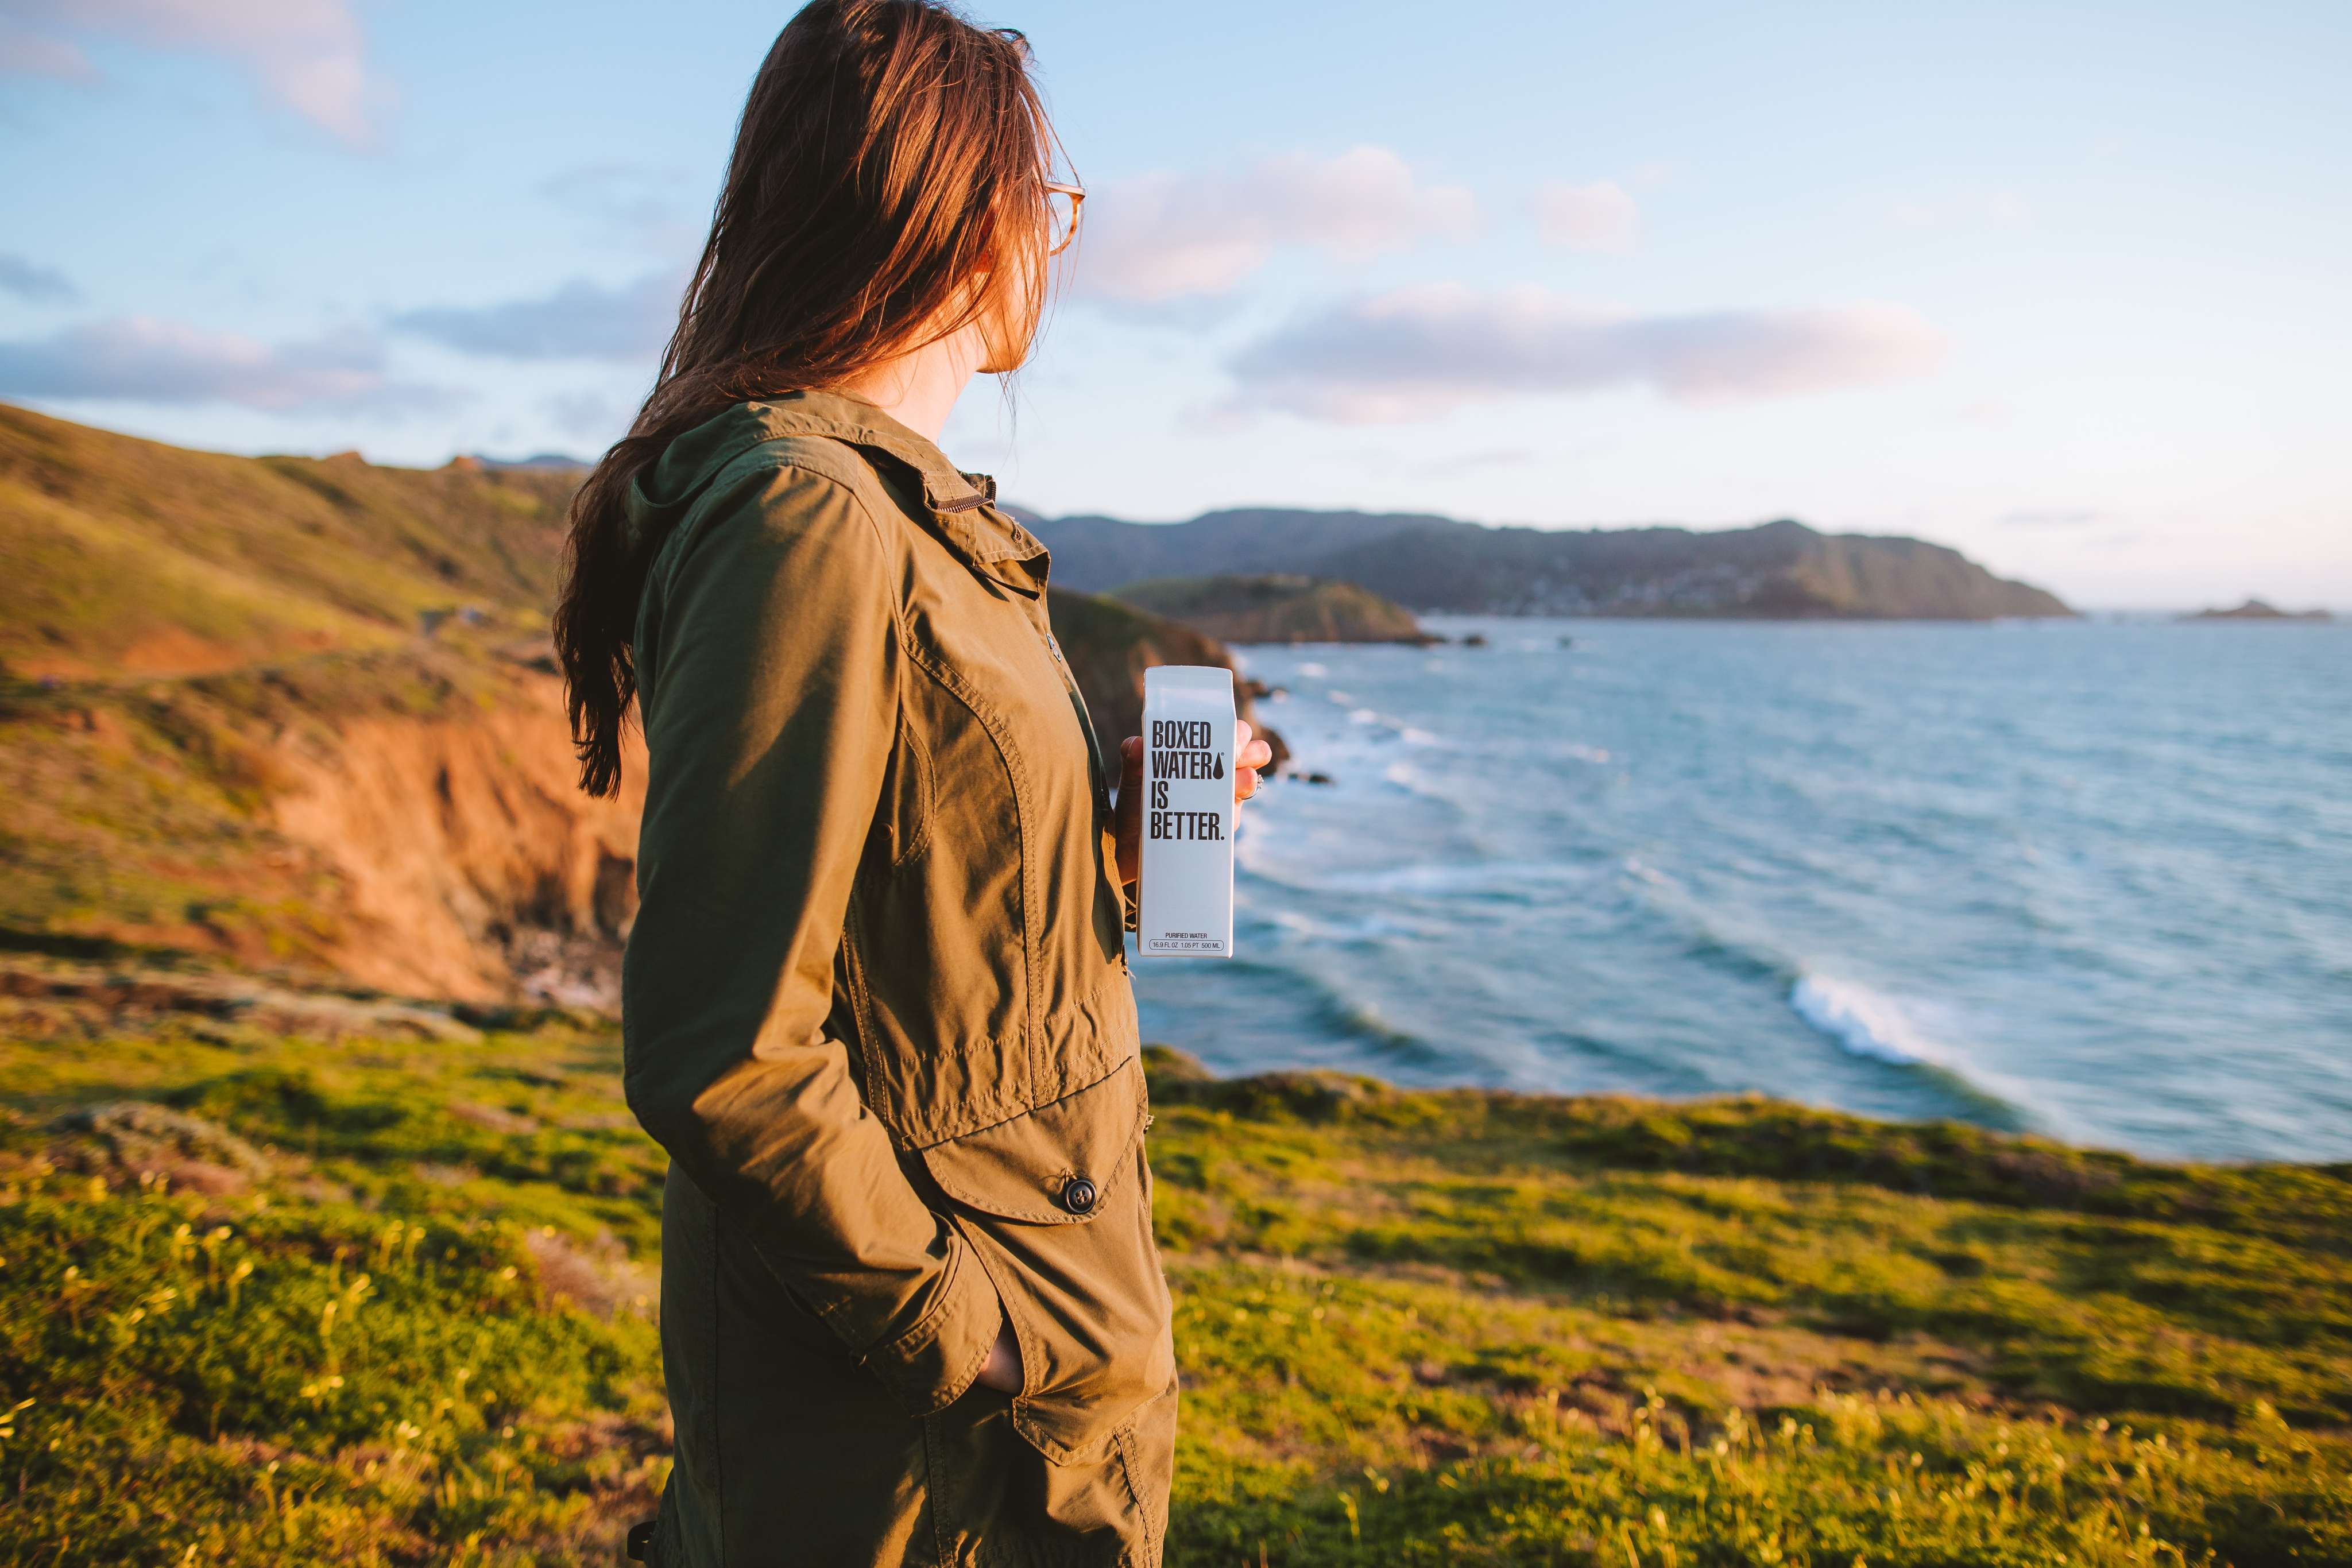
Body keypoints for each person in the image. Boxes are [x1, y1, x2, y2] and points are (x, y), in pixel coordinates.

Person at [552, 3, 1271, 1564]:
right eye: (1045, 201)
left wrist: (1135, 840)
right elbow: (725, 1047)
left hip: (1015, 1389)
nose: (1051, 244)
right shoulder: (809, 522)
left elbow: (945, 916)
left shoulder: (901, 516)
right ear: (955, 210)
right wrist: (971, 1334)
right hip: (920, 1436)